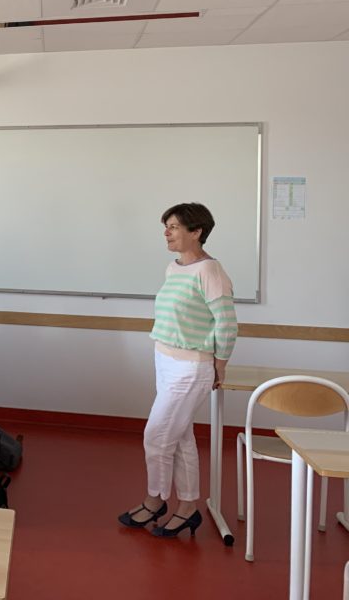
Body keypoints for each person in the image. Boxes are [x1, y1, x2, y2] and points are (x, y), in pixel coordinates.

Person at [119, 202, 238, 538]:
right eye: (166, 227)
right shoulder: (173, 269)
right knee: (181, 436)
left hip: (191, 366)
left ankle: (155, 500)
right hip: (165, 358)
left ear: (196, 231)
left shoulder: (210, 271)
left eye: (173, 227)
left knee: (156, 435)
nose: (166, 233)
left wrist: (220, 364)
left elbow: (227, 325)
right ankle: (187, 507)